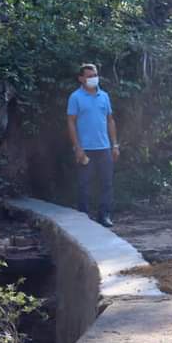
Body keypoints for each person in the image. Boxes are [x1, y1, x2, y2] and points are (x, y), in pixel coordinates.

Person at [67, 63, 120, 227]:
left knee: (107, 183)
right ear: (81, 78)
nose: (93, 78)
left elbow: (110, 120)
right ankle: (83, 217)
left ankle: (104, 216)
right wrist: (77, 147)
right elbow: (71, 122)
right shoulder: (75, 97)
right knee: (84, 184)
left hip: (104, 147)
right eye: (89, 76)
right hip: (86, 149)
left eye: (95, 75)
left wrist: (115, 145)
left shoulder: (104, 96)